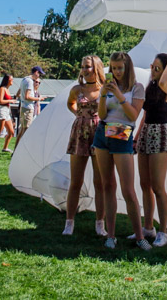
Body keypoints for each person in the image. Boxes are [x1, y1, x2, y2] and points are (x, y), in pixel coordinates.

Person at [94, 51, 149, 251]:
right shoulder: (107, 87)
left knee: (128, 190)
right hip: (103, 133)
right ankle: (111, 235)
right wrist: (102, 97)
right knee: (108, 185)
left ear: (128, 68)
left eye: (120, 68)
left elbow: (133, 116)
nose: (116, 71)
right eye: (113, 67)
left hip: (123, 135)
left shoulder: (137, 88)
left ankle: (140, 236)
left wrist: (118, 95)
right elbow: (102, 115)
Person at [136, 54, 167, 247]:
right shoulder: (150, 88)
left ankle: (163, 230)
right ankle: (148, 227)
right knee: (144, 184)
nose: (152, 70)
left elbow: (164, 83)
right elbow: (145, 115)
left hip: (161, 134)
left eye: (156, 67)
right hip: (146, 133)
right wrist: (137, 137)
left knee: (158, 186)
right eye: (152, 66)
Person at [61, 55, 106, 237]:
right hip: (80, 134)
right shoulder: (76, 89)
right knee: (76, 181)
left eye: (88, 66)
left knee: (100, 182)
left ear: (96, 68)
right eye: (83, 67)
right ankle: (69, 222)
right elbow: (69, 104)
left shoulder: (104, 89)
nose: (85, 70)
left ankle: (100, 223)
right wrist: (80, 116)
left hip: (99, 134)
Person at [15, 66, 46, 146]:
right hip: (27, 108)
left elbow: (19, 92)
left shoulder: (24, 79)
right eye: (39, 74)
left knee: (22, 130)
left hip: (24, 107)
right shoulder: (29, 82)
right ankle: (20, 151)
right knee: (26, 131)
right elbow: (27, 96)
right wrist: (39, 98)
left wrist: (17, 96)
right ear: (36, 72)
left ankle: (16, 151)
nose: (39, 76)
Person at [0, 74, 17, 155]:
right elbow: (0, 101)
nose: (12, 81)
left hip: (6, 111)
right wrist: (10, 101)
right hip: (1, 110)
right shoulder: (2, 89)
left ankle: (5, 147)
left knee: (11, 132)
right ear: (7, 80)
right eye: (11, 79)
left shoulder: (7, 89)